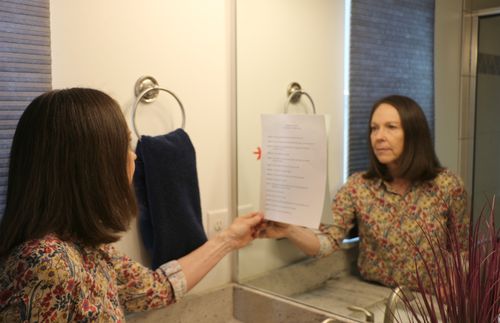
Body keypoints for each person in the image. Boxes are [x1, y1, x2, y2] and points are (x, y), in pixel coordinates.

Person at [0, 88, 263, 321]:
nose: (133, 155)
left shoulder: (88, 247)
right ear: (89, 166)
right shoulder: (49, 262)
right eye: (123, 145)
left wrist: (228, 239)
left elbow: (158, 288)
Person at [258, 95, 468, 290]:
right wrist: (288, 230)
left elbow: (461, 250)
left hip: (428, 302)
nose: (379, 137)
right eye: (374, 129)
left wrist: (451, 292)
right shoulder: (358, 187)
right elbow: (327, 243)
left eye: (391, 127)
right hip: (372, 295)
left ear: (414, 134)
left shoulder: (446, 185)